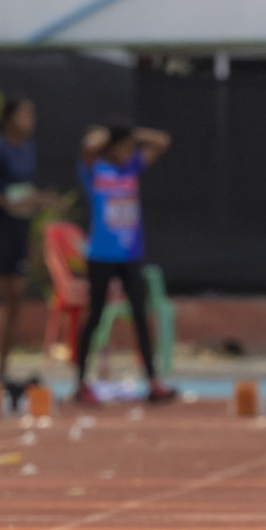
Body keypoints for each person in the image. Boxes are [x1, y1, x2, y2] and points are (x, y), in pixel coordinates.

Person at [75, 123, 177, 406]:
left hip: (130, 254)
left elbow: (162, 141)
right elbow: (88, 146)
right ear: (111, 147)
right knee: (94, 317)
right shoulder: (95, 170)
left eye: (130, 148)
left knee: (140, 318)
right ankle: (81, 382)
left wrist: (133, 135)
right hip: (101, 255)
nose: (128, 152)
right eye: (123, 147)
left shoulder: (131, 168)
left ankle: (153, 383)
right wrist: (107, 138)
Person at [0, 95, 55, 406]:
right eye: (25, 114)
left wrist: (39, 200)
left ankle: (2, 370)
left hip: (18, 231)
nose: (30, 120)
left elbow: (23, 189)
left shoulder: (29, 150)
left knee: (16, 297)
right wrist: (7, 202)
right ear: (10, 118)